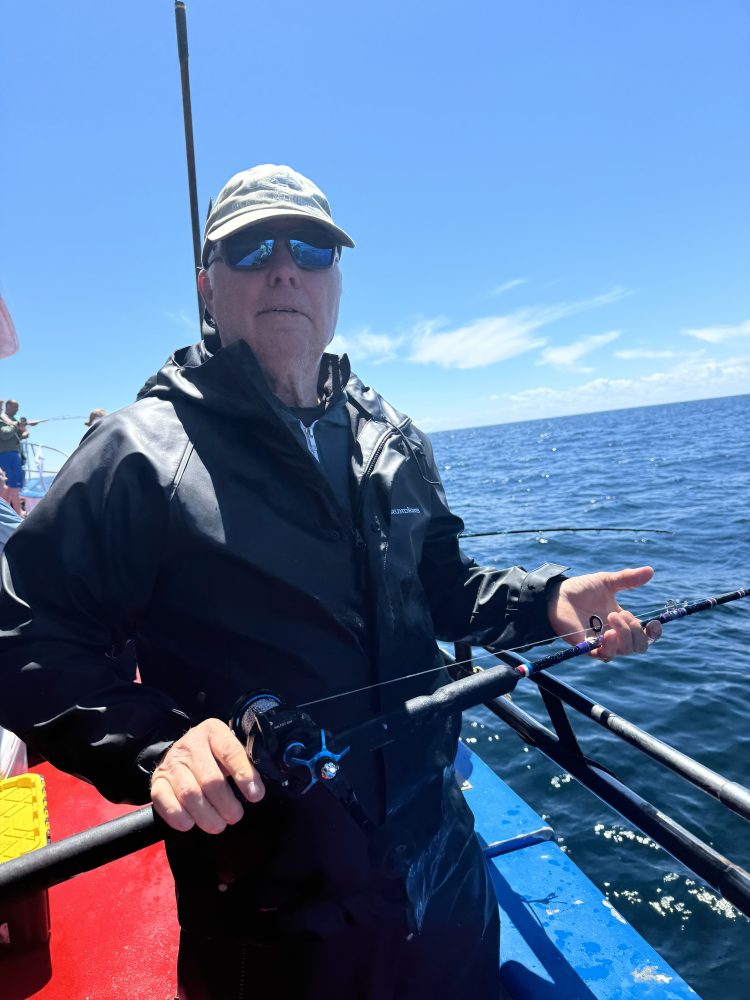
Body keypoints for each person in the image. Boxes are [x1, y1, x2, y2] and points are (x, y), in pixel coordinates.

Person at [0, 164, 659, 999]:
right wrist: (161, 743)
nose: (285, 267)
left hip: (444, 878)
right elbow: (21, 635)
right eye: (250, 249)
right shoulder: (138, 454)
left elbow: (444, 589)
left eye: (312, 248)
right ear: (208, 288)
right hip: (273, 926)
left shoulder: (393, 437)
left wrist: (547, 602)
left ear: (336, 283)